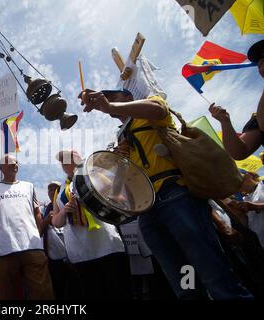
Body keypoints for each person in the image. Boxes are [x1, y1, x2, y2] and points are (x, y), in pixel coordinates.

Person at [79, 88, 252, 299]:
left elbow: (158, 109)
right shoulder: (121, 136)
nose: (108, 101)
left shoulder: (151, 105)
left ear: (128, 97)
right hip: (147, 212)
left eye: (113, 96)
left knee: (214, 273)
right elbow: (123, 178)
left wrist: (109, 105)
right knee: (183, 280)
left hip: (175, 195)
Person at [51, 150, 132, 300]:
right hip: (80, 251)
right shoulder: (59, 190)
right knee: (93, 292)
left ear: (79, 158)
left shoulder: (95, 175)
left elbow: (120, 199)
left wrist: (101, 198)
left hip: (107, 244)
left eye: (68, 157)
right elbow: (56, 221)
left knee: (120, 290)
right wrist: (64, 212)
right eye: (62, 160)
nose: (65, 162)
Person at [0, 154, 54, 300]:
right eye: (9, 162)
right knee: (7, 295)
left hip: (32, 247)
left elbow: (37, 213)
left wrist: (38, 232)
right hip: (3, 252)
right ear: (0, 168)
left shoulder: (29, 187)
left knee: (42, 294)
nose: (14, 164)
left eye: (16, 162)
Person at [209, 40, 264, 160]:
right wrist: (225, 121)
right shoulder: (258, 117)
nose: (261, 60)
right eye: (259, 61)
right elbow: (239, 152)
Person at [42, 180, 82, 299]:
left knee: (73, 290)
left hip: (71, 257)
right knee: (57, 290)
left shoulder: (68, 204)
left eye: (55, 188)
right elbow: (39, 230)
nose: (52, 191)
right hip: (53, 260)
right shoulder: (44, 209)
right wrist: (47, 220)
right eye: (49, 188)